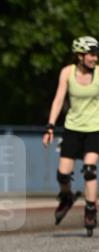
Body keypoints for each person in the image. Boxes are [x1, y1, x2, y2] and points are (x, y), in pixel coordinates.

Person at [43, 35, 99, 235]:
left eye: (96, 55)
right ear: (80, 55)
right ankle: (67, 198)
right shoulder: (68, 72)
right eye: (91, 55)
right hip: (73, 128)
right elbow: (59, 100)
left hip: (95, 129)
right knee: (63, 174)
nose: (94, 58)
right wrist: (50, 127)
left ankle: (91, 209)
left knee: (90, 169)